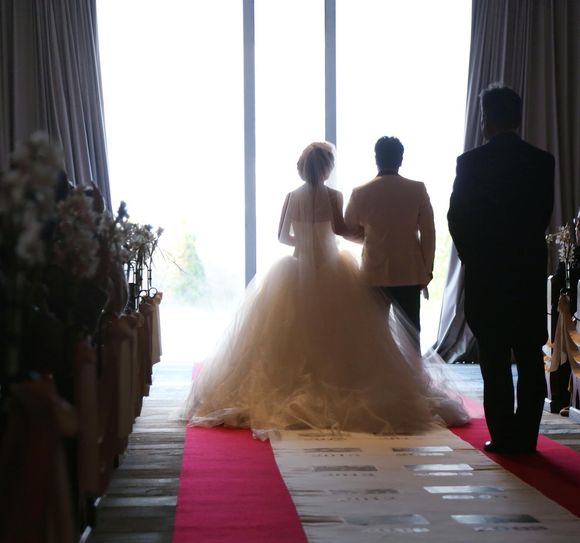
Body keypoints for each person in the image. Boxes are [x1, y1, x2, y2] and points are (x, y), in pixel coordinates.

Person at [181, 142, 468, 438]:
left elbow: (284, 236)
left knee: (292, 329)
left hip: (304, 266)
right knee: (363, 334)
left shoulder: (299, 196)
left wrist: (307, 244)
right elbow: (341, 228)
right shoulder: (339, 195)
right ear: (327, 168)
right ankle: (394, 381)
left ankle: (295, 380)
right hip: (339, 267)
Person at [448, 84, 554, 454]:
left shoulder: (471, 163)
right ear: (518, 118)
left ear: (486, 120)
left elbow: (457, 218)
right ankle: (526, 438)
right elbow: (542, 216)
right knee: (529, 357)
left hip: (487, 274)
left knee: (493, 361)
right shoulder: (542, 161)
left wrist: (473, 257)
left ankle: (503, 436)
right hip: (527, 272)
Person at [344, 136, 435, 346]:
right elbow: (428, 233)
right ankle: (412, 369)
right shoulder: (417, 189)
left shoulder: (360, 192)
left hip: (374, 271)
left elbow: (348, 230)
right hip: (409, 271)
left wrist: (370, 238)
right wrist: (426, 269)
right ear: (401, 159)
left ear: (376, 158)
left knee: (377, 337)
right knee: (411, 337)